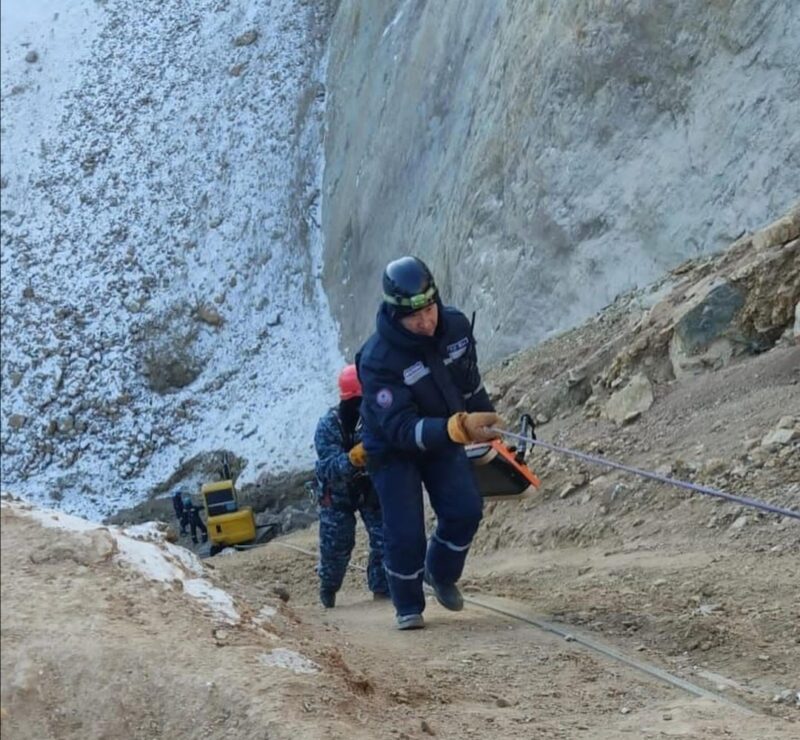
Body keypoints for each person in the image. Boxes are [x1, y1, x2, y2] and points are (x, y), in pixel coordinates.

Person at [356, 256, 500, 630]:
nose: (426, 321)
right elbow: (401, 428)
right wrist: (455, 430)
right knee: (404, 530)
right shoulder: (377, 359)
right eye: (414, 317)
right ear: (395, 314)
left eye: (430, 309)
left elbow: (469, 381)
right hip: (392, 448)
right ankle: (407, 604)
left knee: (465, 509)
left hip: (443, 430)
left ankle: (440, 573)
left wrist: (485, 420)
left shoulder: (455, 328)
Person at [313, 364, 390, 608]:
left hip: (370, 489)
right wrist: (353, 459)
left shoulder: (377, 418)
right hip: (337, 495)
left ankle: (382, 588)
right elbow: (327, 468)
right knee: (336, 544)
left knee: (385, 538)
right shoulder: (328, 426)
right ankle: (329, 589)